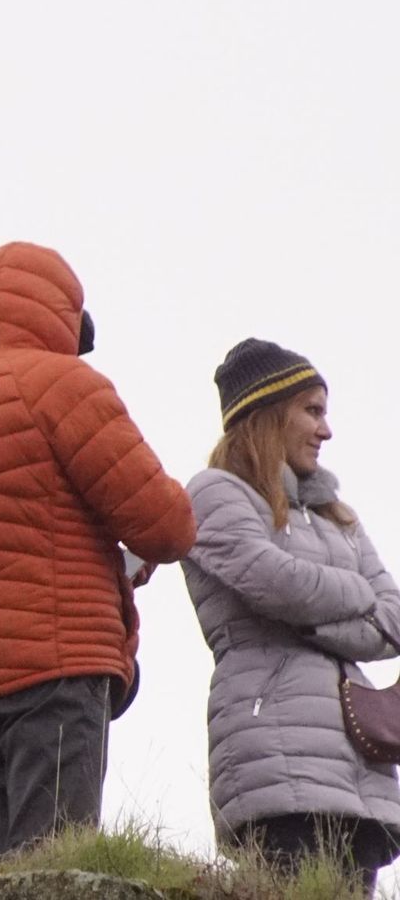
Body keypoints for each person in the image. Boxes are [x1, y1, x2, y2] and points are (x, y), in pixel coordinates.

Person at [0, 241, 196, 852]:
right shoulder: (60, 385)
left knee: (10, 870)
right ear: (59, 310)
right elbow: (167, 526)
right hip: (56, 664)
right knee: (58, 861)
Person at [184, 339, 400, 894]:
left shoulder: (337, 517)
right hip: (271, 757)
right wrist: (355, 596)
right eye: (312, 410)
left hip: (362, 764)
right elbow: (271, 580)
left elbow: (394, 620)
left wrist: (306, 618)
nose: (326, 431)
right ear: (266, 413)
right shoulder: (214, 493)